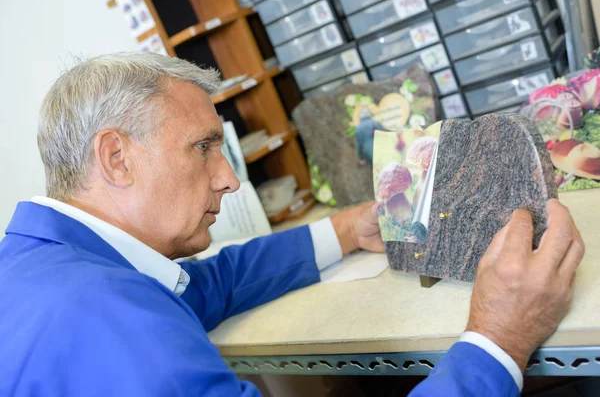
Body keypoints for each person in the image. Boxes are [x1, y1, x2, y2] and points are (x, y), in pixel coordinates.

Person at [0, 53, 584, 397]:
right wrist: (497, 339)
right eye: (204, 147)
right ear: (117, 158)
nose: (228, 179)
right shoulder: (107, 323)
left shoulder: (48, 266)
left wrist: (347, 230)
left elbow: (210, 285)